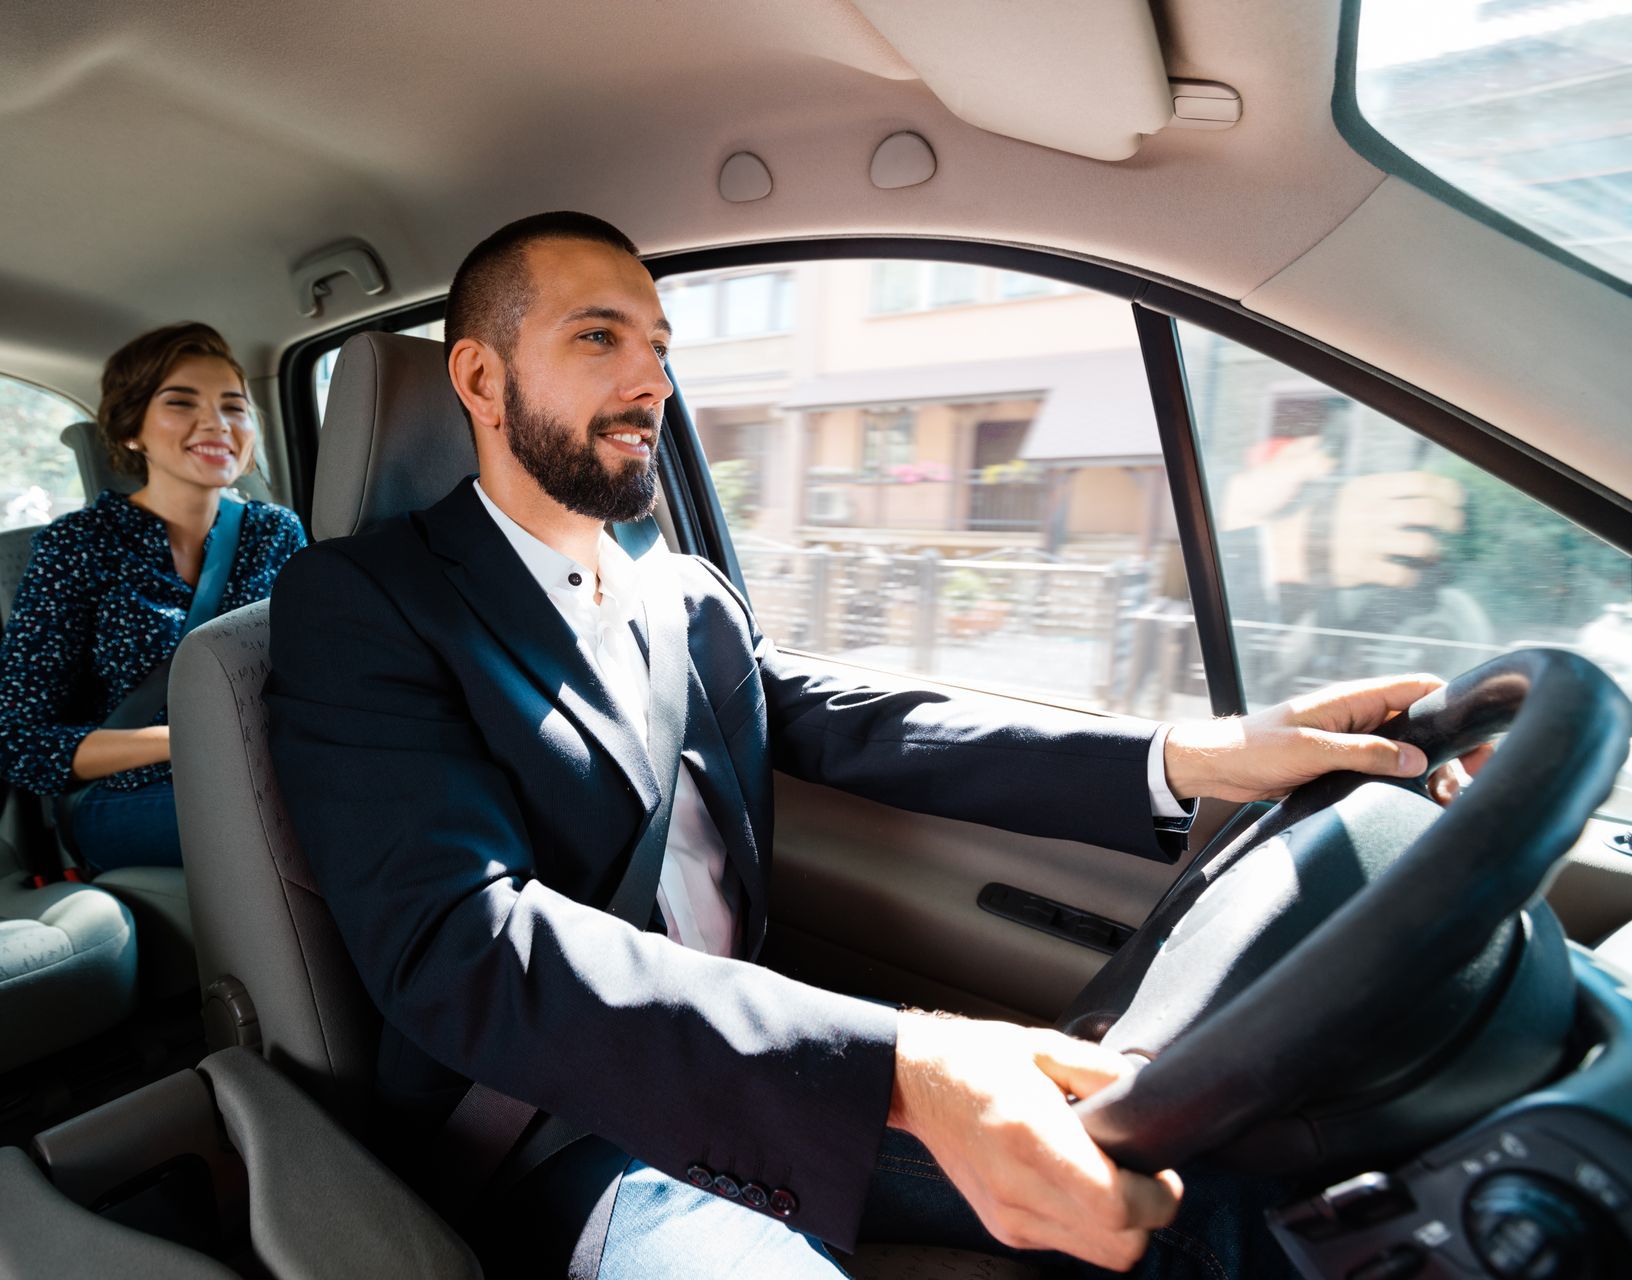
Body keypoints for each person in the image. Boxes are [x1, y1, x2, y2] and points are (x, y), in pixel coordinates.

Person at [263, 214, 1484, 1277]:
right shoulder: (362, 603)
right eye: (599, 338)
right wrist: (903, 1062)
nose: (653, 383)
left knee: (1203, 1194)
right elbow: (465, 949)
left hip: (780, 1070)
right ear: (479, 379)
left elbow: (870, 723)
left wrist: (1193, 755)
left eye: (659, 347)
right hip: (568, 1129)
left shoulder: (679, 592)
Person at [0, 322, 306, 871]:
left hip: (268, 771)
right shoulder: (78, 544)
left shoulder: (277, 534)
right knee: (310, 819)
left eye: (234, 406)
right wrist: (182, 739)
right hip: (124, 797)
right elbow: (16, 740)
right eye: (182, 402)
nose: (216, 423)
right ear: (132, 427)